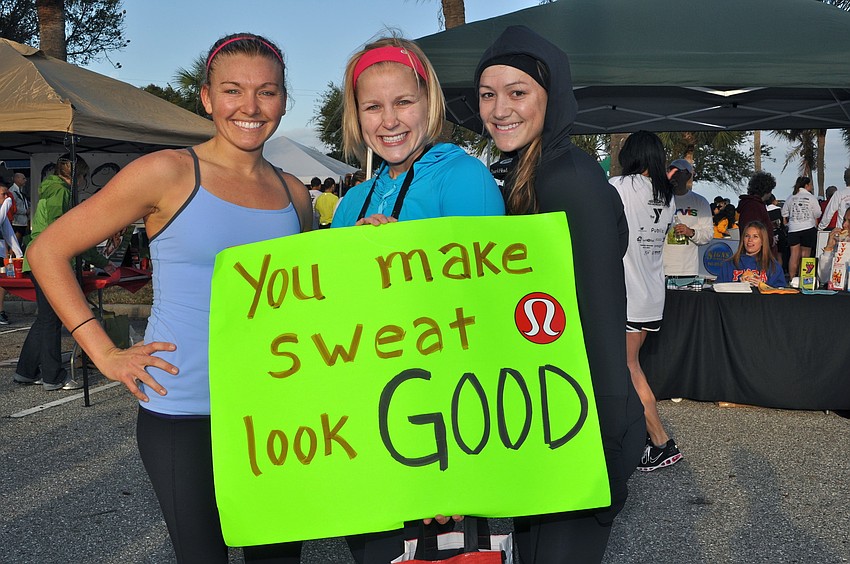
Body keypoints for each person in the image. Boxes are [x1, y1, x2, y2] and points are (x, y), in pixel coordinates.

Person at [24, 34, 312, 563]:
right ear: (206, 97)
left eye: (266, 92)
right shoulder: (169, 172)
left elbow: (305, 293)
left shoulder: (294, 193)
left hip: (273, 410)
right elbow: (47, 250)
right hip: (183, 409)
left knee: (279, 558)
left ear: (283, 101)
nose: (249, 107)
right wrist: (102, 351)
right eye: (233, 90)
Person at [475, 25, 645, 563]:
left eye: (517, 92)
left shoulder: (567, 179)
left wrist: (607, 435)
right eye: (487, 94)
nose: (499, 109)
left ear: (554, 99)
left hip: (584, 427)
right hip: (549, 423)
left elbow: (601, 312)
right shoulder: (526, 174)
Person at [332, 35, 503, 563]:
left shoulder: (464, 177)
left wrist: (449, 461)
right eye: (373, 107)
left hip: (441, 431)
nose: (389, 120)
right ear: (356, 117)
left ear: (428, 103)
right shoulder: (353, 202)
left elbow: (483, 314)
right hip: (372, 431)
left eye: (403, 102)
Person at [605, 131, 681, 475]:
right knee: (630, 365)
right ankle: (640, 437)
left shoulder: (621, 186)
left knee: (628, 367)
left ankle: (661, 441)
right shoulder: (667, 197)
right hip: (652, 293)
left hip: (628, 293)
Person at [11, 155, 112, 389]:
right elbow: (68, 233)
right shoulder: (62, 193)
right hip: (49, 259)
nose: (84, 181)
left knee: (46, 318)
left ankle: (26, 371)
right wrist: (99, 260)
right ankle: (52, 376)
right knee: (52, 319)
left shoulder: (52, 189)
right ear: (77, 175)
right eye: (84, 176)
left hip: (38, 257)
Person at [662, 159, 713, 277]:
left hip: (688, 270)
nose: (672, 174)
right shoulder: (661, 200)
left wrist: (690, 232)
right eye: (670, 170)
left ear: (687, 175)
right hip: (661, 269)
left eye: (677, 171)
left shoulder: (700, 202)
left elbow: (708, 234)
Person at [716, 221, 785, 288]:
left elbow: (781, 292)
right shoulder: (729, 264)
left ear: (762, 241)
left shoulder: (773, 266)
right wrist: (739, 286)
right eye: (747, 236)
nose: (750, 240)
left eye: (755, 236)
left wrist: (763, 286)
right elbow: (719, 290)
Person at [782, 176, 821, 279]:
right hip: (808, 228)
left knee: (794, 254)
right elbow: (818, 213)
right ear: (806, 185)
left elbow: (784, 212)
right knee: (805, 255)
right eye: (811, 185)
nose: (811, 187)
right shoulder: (811, 198)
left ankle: (791, 279)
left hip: (793, 229)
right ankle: (803, 279)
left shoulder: (791, 197)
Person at [0, 182, 24, 325]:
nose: (7, 197)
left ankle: (0, 310)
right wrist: (7, 204)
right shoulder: (3, 210)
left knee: (2, 282)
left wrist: (19, 254)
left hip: (1, 251)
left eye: (8, 194)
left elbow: (8, 232)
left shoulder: (3, 211)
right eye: (3, 195)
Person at [738, 171, 777, 256]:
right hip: (757, 254)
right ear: (766, 190)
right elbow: (753, 229)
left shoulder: (752, 204)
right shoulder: (754, 206)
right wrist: (769, 240)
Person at [818, 208, 850, 287]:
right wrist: (829, 248)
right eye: (844, 220)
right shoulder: (840, 245)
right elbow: (824, 278)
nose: (844, 225)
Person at [10, 171, 30, 241]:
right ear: (17, 179)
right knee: (16, 241)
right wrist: (25, 211)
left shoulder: (20, 191)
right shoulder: (12, 191)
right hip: (17, 222)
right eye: (23, 179)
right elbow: (12, 207)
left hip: (22, 222)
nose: (26, 180)